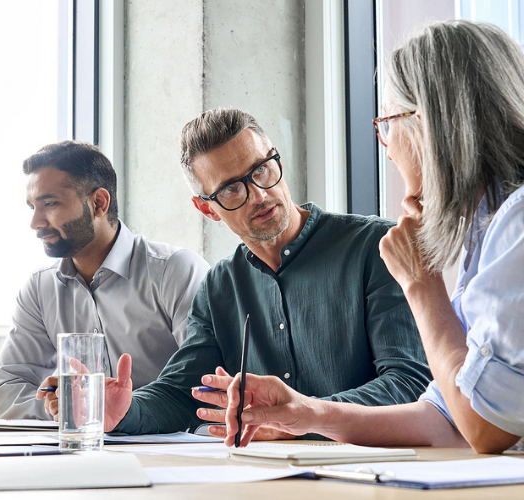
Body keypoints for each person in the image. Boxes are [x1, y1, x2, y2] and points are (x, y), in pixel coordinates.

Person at [219, 20, 524, 454]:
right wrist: (306, 413)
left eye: (387, 123)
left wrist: (421, 284)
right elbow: (448, 417)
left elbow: (484, 426)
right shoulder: (490, 227)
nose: (386, 146)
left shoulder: (518, 222)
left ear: (427, 125)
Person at [79, 108, 432, 438]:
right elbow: (183, 393)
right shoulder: (219, 286)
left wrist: (303, 417)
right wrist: (122, 411)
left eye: (261, 169)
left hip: (375, 473)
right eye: (232, 188)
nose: (260, 195)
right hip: (266, 477)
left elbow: (410, 381)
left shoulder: (376, 246)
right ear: (207, 208)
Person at [0, 140, 210, 419]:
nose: (36, 222)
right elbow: (5, 391)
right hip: (76, 456)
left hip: (166, 455)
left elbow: (206, 382)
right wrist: (70, 408)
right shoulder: (39, 289)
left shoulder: (175, 271)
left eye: (49, 204)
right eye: (32, 206)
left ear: (98, 203)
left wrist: (108, 408)